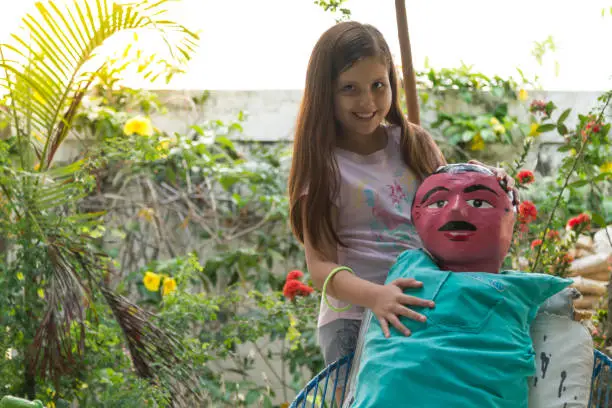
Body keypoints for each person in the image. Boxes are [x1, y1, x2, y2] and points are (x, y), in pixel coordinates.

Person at [287, 21, 516, 386]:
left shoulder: (413, 143)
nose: (367, 102)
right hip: (356, 318)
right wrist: (377, 297)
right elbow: (320, 268)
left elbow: (448, 202)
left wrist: (489, 183)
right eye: (350, 89)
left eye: (379, 85)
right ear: (324, 93)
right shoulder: (325, 168)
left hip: (423, 307)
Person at [349, 163, 572, 407]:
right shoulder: (410, 266)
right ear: (416, 215)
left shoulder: (518, 289)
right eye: (439, 203)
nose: (456, 211)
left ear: (511, 217)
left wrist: (494, 173)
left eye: (479, 203)